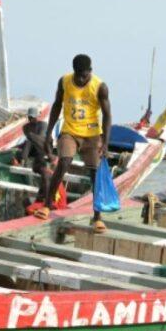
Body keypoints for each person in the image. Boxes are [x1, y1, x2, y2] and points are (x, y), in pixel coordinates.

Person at [37, 54, 112, 233]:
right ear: (73, 71)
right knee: (63, 162)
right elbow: (56, 105)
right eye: (77, 74)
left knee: (95, 174)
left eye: (84, 75)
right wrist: (48, 133)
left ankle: (97, 216)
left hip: (92, 135)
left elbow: (108, 116)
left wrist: (106, 143)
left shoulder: (100, 87)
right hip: (70, 131)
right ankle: (47, 205)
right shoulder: (64, 81)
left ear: (90, 72)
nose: (80, 78)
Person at [17, 107, 49, 202]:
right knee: (28, 141)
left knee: (31, 140)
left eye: (33, 117)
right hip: (32, 149)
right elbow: (29, 139)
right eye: (30, 117)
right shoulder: (25, 127)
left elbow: (41, 139)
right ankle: (22, 160)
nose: (32, 119)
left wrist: (31, 136)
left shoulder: (43, 125)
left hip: (41, 147)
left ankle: (23, 160)